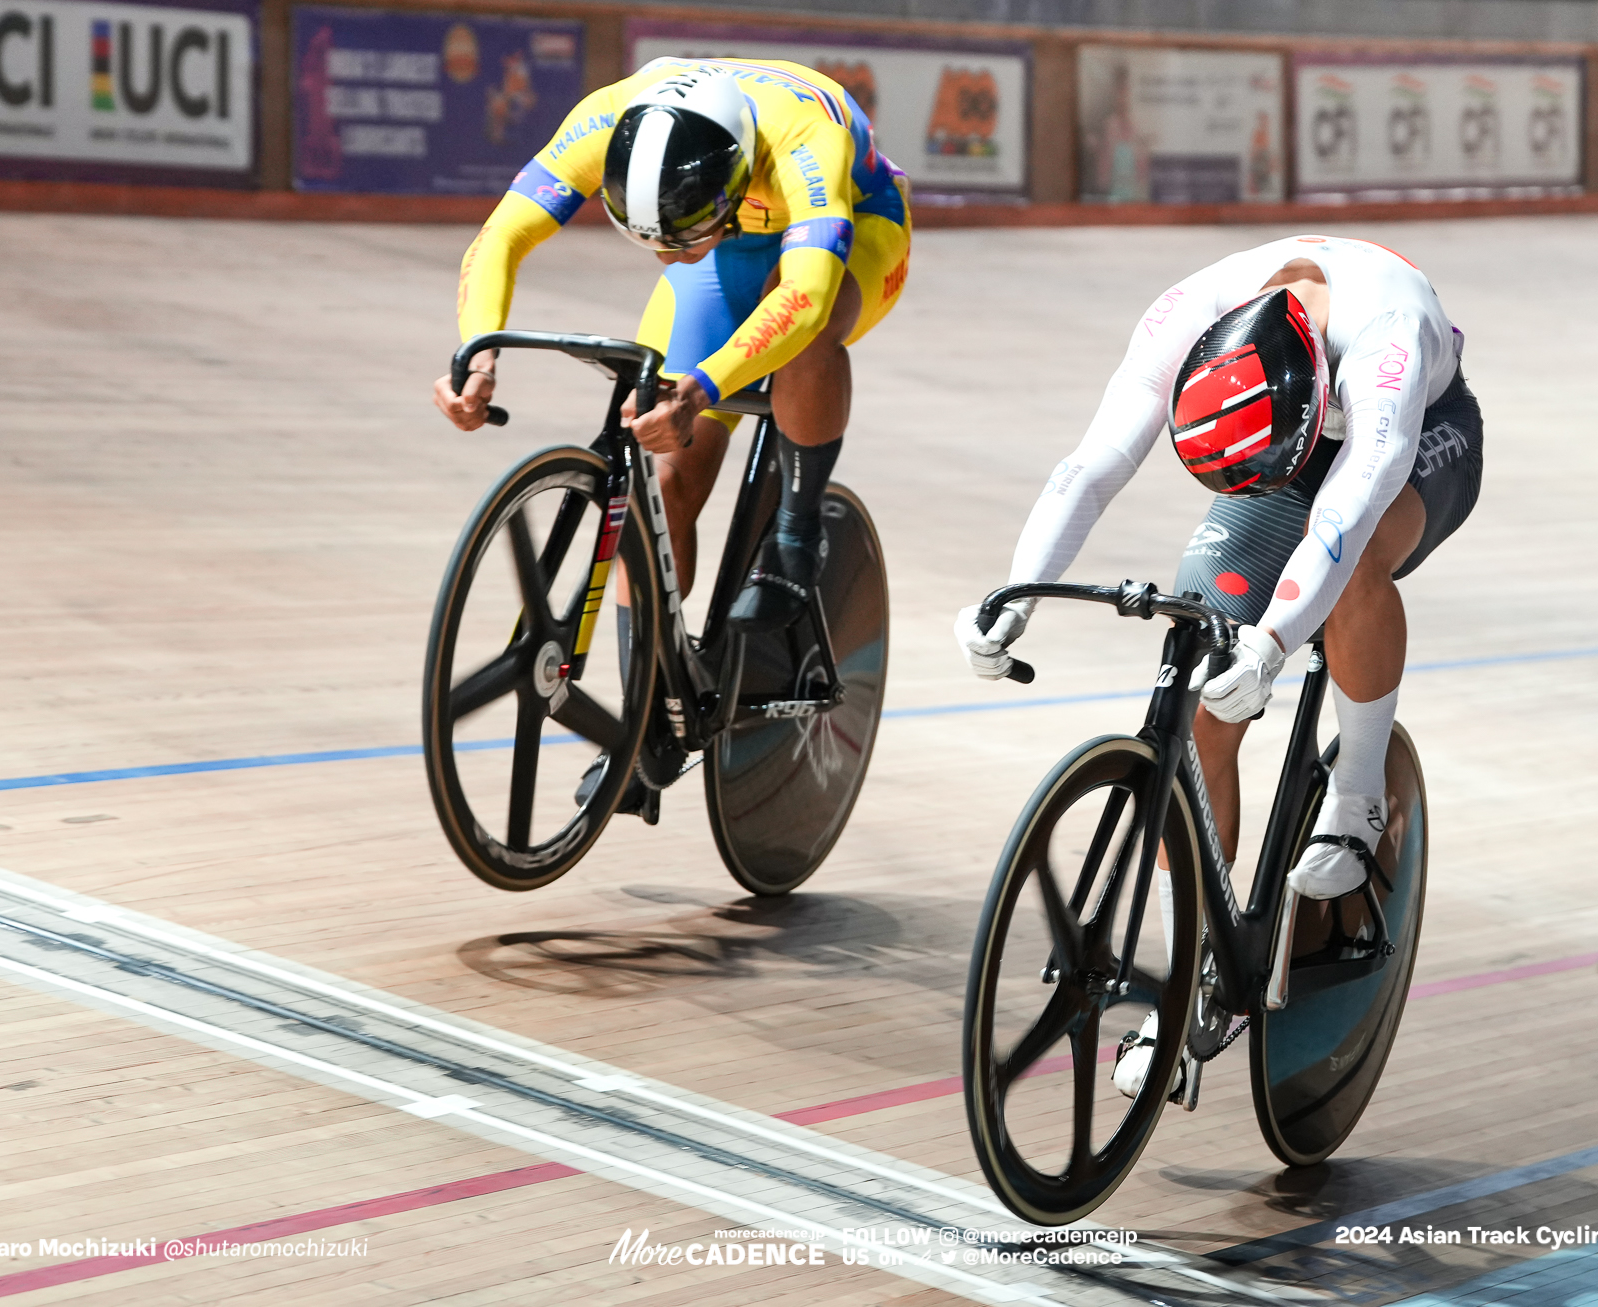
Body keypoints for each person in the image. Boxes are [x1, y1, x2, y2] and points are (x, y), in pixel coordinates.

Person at [954, 235, 1482, 1091]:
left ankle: (1355, 796)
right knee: (1203, 701)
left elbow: (1342, 522)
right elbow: (1088, 468)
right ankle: (1192, 984)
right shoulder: (1186, 316)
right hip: (1272, 450)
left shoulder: (1388, 338)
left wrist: (1272, 645)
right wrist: (1017, 592)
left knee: (1352, 574)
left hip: (1419, 440)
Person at [434, 58, 911, 638]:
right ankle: (653, 703)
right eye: (647, 240)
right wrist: (478, 352)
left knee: (802, 339)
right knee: (660, 490)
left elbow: (804, 296)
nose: (664, 258)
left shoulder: (805, 135)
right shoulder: (606, 116)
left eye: (679, 238)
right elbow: (500, 235)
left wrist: (702, 388)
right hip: (723, 251)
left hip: (858, 223)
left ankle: (796, 535)